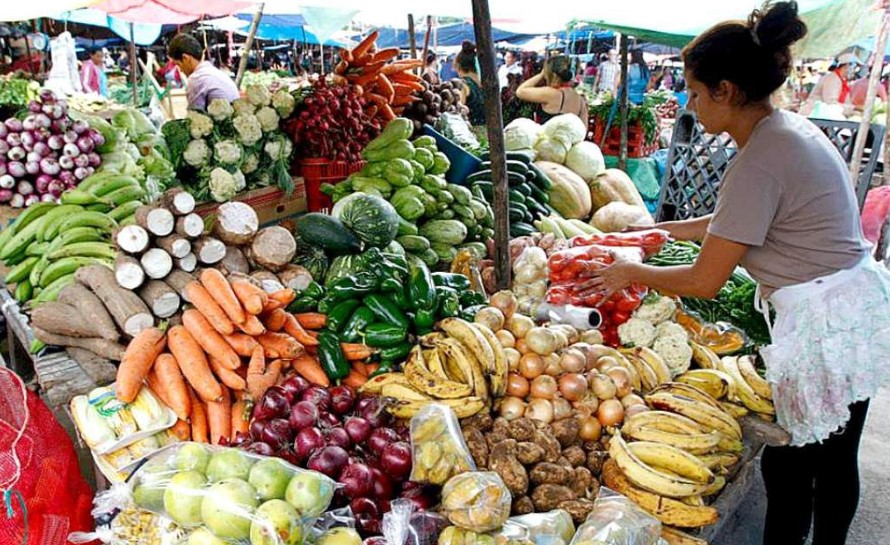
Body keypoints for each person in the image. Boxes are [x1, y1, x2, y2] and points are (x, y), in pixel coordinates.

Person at [580, 3, 890, 545]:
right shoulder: (782, 130)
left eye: (696, 93)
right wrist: (664, 232)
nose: (691, 105)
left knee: (794, 470)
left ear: (726, 90)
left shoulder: (762, 157)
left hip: (824, 322)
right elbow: (734, 222)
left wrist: (632, 269)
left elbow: (705, 282)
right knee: (835, 461)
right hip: (848, 306)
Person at [167, 33, 239, 111]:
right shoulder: (215, 72)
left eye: (178, 64)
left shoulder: (196, 79)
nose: (180, 70)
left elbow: (194, 117)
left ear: (185, 58)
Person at [516, 54, 588, 126]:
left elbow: (520, 91)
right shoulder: (580, 100)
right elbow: (584, 128)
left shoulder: (551, 93)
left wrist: (541, 74)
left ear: (552, 74)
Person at [453, 41, 485, 126]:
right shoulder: (485, 83)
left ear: (459, 66)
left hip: (472, 133)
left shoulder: (463, 84)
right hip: (489, 132)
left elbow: (458, 111)